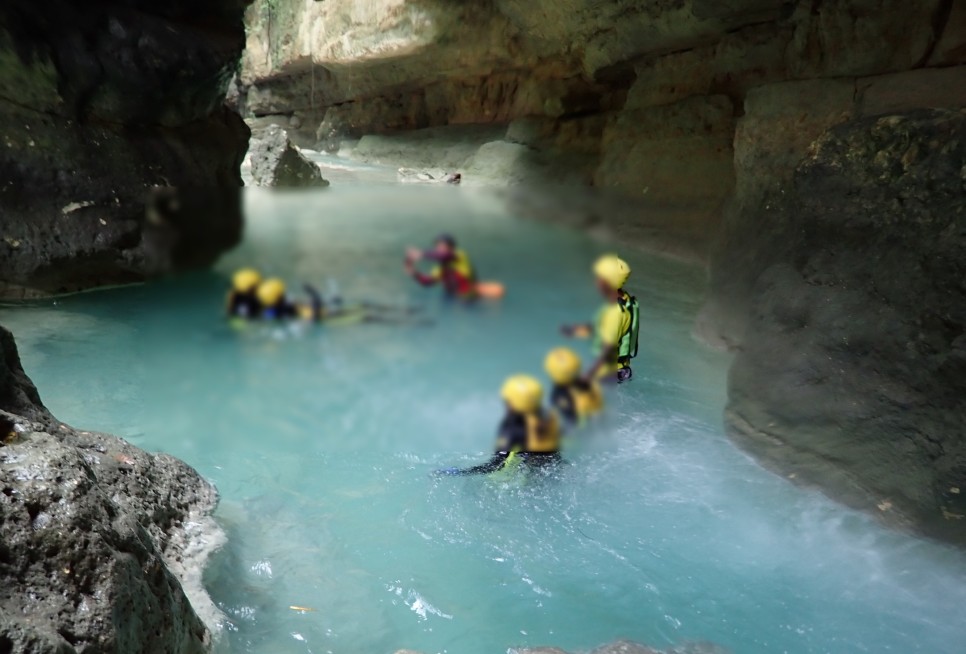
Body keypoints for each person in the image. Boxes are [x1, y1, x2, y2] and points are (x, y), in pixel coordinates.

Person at [437, 375, 561, 476]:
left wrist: (463, 472)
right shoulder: (548, 416)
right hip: (551, 470)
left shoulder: (513, 426)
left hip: (525, 478)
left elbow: (496, 465)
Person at [561, 254, 640, 383]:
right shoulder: (626, 300)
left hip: (608, 375)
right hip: (622, 370)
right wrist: (576, 331)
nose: (596, 282)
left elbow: (607, 349)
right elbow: (607, 328)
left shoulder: (614, 313)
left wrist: (587, 377)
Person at [404, 234, 478, 300]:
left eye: (443, 246)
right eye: (438, 246)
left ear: (451, 247)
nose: (439, 248)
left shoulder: (460, 255)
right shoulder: (440, 267)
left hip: (467, 295)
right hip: (449, 296)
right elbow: (428, 282)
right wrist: (414, 273)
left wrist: (421, 254)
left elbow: (445, 256)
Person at [544, 347, 603, 426]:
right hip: (597, 415)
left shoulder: (558, 395)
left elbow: (569, 420)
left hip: (581, 425)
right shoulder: (588, 382)